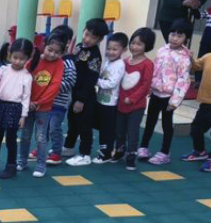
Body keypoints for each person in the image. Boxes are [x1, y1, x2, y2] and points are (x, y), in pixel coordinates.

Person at [138, 18, 194, 165]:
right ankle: (143, 147)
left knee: (166, 125)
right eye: (172, 34)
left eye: (179, 36)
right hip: (156, 93)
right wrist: (149, 88)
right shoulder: (162, 50)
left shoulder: (184, 58)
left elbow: (183, 80)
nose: (174, 38)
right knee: (150, 121)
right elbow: (155, 70)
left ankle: (164, 152)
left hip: (169, 97)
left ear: (186, 39)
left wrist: (174, 101)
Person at [182, 28, 211, 172]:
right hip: (205, 103)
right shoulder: (208, 57)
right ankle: (200, 151)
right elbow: (196, 66)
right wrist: (190, 57)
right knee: (195, 129)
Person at [18, 34, 66, 177]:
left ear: (62, 53)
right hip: (27, 106)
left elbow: (54, 87)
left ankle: (40, 165)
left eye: (57, 52)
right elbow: (23, 79)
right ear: (44, 46)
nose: (52, 54)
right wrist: (26, 102)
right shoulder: (34, 60)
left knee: (40, 137)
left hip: (43, 108)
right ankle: (22, 161)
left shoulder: (59, 64)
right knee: (25, 135)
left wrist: (39, 102)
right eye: (50, 50)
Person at [64, 18, 109, 166]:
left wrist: (81, 100)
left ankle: (85, 154)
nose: (87, 38)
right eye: (86, 33)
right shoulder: (79, 46)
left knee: (84, 125)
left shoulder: (94, 55)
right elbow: (71, 60)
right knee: (72, 121)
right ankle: (69, 147)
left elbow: (91, 79)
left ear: (100, 39)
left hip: (85, 96)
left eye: (92, 37)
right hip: (74, 92)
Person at [0, 38, 33, 178]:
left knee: (11, 139)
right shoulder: (2, 70)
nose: (17, 61)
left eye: (22, 59)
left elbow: (26, 97)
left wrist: (24, 116)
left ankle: (11, 166)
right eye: (15, 57)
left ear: (28, 58)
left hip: (15, 108)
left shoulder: (27, 76)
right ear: (9, 54)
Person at [115, 27, 155, 171]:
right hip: (120, 103)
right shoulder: (125, 61)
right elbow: (118, 79)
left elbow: (145, 85)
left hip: (136, 106)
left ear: (147, 46)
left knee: (132, 132)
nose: (134, 47)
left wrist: (132, 99)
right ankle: (119, 151)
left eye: (139, 44)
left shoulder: (147, 64)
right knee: (119, 130)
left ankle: (131, 156)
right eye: (132, 43)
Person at [92, 32, 128, 164]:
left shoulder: (120, 65)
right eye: (109, 48)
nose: (111, 52)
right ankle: (105, 151)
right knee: (102, 128)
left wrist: (96, 81)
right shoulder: (107, 62)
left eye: (115, 49)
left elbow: (112, 83)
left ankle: (106, 154)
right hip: (101, 100)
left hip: (110, 104)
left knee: (107, 130)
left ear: (123, 50)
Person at [46, 25, 77, 165]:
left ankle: (56, 152)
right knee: (43, 127)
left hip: (59, 102)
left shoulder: (68, 62)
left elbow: (70, 81)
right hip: (47, 102)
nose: (53, 52)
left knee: (54, 128)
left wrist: (53, 88)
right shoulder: (50, 61)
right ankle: (40, 149)